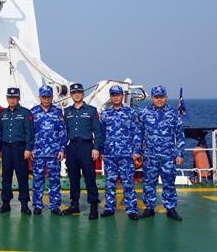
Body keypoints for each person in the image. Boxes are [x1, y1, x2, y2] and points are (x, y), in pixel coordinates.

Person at [137, 85, 185, 221]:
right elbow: (138, 134)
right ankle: (149, 207)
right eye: (156, 97)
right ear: (152, 98)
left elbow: (180, 135)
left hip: (168, 156)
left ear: (166, 97)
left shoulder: (173, 114)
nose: (159, 100)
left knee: (169, 182)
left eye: (161, 97)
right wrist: (138, 152)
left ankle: (170, 208)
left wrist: (180, 154)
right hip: (150, 156)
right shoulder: (144, 113)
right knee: (149, 182)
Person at [62, 83, 103, 219]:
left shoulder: (91, 111)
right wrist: (63, 148)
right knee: (73, 178)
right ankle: (74, 205)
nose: (77, 94)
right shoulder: (67, 112)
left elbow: (98, 131)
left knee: (90, 178)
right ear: (71, 95)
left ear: (83, 94)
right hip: (72, 147)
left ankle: (93, 207)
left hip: (86, 147)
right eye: (74, 93)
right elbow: (64, 132)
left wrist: (96, 148)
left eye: (79, 92)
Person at [100, 84, 141, 220]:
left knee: (128, 182)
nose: (115, 97)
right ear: (110, 97)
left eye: (118, 95)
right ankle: (110, 207)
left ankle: (131, 209)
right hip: (110, 154)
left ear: (122, 96)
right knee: (109, 182)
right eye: (113, 95)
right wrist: (101, 150)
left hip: (126, 154)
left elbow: (137, 133)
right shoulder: (105, 114)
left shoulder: (131, 113)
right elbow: (101, 134)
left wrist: (136, 151)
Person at [31, 85, 66, 216]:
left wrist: (62, 148)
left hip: (54, 152)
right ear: (40, 97)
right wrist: (31, 148)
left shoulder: (57, 112)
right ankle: (37, 205)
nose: (46, 99)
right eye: (44, 97)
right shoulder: (33, 112)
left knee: (54, 180)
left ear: (52, 97)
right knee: (38, 180)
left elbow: (62, 131)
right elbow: (30, 132)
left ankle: (55, 205)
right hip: (38, 152)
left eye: (48, 97)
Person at [0, 87, 34, 215]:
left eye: (14, 97)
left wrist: (28, 148)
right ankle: (5, 203)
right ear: (7, 98)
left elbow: (29, 132)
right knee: (6, 177)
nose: (12, 100)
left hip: (20, 149)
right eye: (10, 97)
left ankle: (24, 204)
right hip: (6, 149)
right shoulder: (2, 114)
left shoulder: (25, 113)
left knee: (22, 177)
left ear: (18, 98)